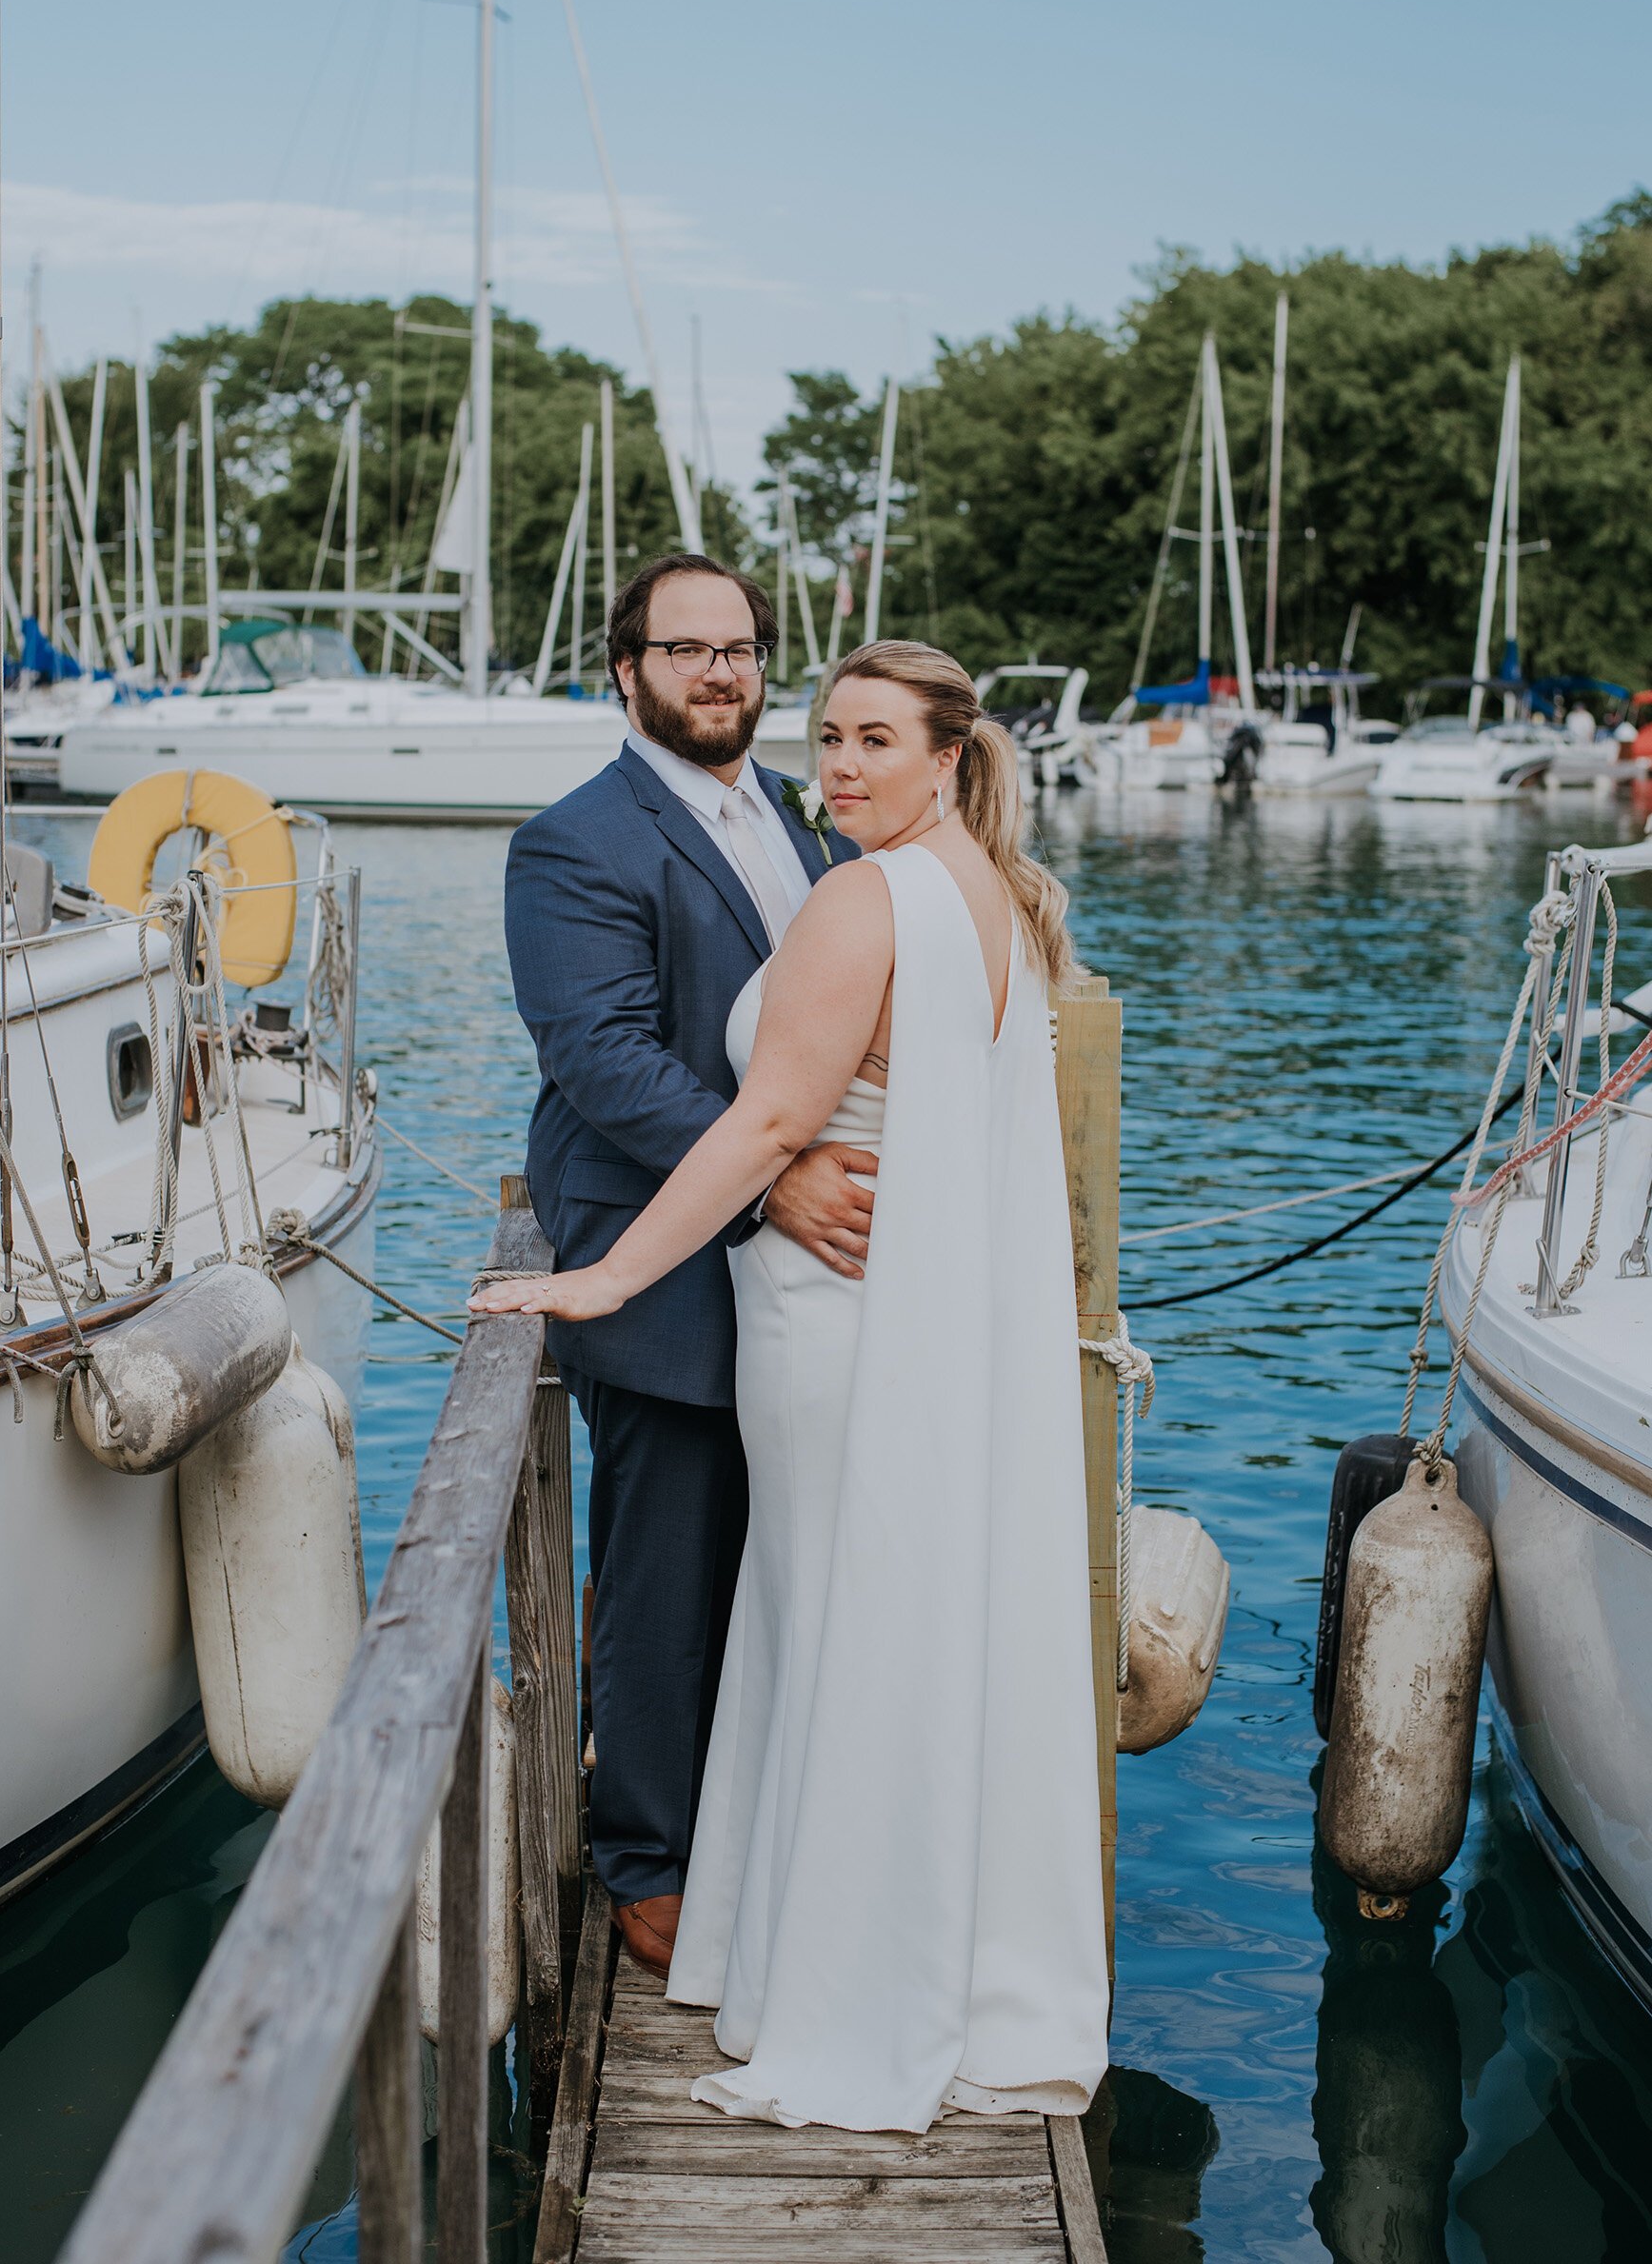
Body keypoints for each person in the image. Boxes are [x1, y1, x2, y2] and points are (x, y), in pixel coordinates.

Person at [478, 640, 1109, 2135]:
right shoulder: (1003, 901)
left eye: (875, 740)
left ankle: (837, 1989)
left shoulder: (863, 895)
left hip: (833, 1332)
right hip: (921, 1331)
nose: (837, 767)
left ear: (949, 754)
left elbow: (770, 1124)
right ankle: (897, 1961)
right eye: (825, 736)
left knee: (832, 1627)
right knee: (881, 1631)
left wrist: (606, 1276)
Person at [501, 555, 867, 1981]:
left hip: (797, 1252)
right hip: (656, 1252)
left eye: (742, 648)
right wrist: (772, 1175)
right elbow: (603, 1060)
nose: (721, 673)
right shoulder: (575, 841)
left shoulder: (794, 813)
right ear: (625, 669)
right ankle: (646, 1856)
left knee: (777, 1547)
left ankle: (761, 1816)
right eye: (687, 649)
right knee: (667, 1555)